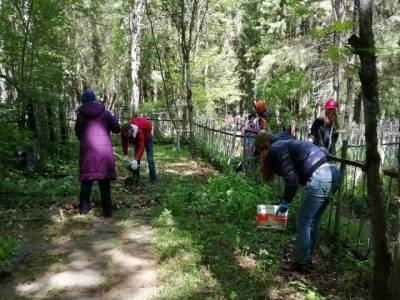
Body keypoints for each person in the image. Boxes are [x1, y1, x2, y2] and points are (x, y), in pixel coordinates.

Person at [254, 131, 341, 273]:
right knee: (314, 221)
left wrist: (286, 201)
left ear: (264, 146)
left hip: (321, 175)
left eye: (260, 151)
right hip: (334, 172)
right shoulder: (285, 142)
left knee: (304, 220)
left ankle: (301, 263)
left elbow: (292, 179)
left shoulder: (276, 148)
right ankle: (306, 259)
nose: (262, 155)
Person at [74, 90, 120, 217]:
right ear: (94, 99)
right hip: (104, 153)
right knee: (104, 183)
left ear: (83, 102)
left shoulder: (81, 115)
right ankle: (107, 211)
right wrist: (112, 115)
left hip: (87, 153)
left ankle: (83, 211)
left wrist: (85, 142)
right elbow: (117, 129)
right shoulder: (105, 113)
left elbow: (78, 133)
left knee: (86, 182)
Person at [121, 116, 157, 183]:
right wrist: (125, 154)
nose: (128, 136)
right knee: (136, 159)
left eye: (129, 134)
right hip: (137, 138)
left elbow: (141, 147)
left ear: (131, 130)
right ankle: (136, 178)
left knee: (150, 158)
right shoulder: (123, 131)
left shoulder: (139, 131)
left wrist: (136, 159)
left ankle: (153, 179)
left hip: (148, 137)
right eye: (126, 135)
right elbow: (124, 143)